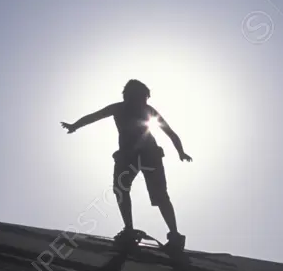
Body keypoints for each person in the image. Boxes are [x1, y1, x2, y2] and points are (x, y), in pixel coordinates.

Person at [61, 79, 192, 250]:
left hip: (148, 154)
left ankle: (174, 235)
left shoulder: (147, 110)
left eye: (145, 98)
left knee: (159, 194)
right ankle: (130, 230)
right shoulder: (119, 108)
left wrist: (180, 151)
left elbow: (170, 133)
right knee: (121, 189)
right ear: (129, 96)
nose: (143, 101)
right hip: (128, 155)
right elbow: (94, 117)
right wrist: (75, 126)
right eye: (140, 97)